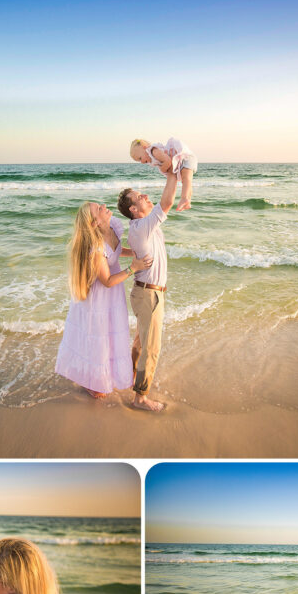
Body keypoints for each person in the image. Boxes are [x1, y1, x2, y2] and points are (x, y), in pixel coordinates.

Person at [55, 201, 152, 399]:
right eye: (99, 209)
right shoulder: (96, 248)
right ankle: (94, 381)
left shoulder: (113, 227)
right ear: (94, 224)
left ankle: (110, 374)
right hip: (101, 295)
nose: (104, 206)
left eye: (99, 204)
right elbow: (107, 281)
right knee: (99, 336)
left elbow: (116, 249)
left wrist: (133, 252)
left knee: (111, 334)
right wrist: (134, 267)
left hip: (113, 293)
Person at [117, 166, 179, 413]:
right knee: (151, 348)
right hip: (149, 294)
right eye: (139, 197)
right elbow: (167, 202)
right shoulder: (142, 225)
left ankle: (130, 378)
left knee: (141, 342)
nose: (144, 196)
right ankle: (140, 398)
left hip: (146, 292)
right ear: (133, 209)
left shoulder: (141, 228)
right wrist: (172, 175)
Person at [129, 137, 198, 211]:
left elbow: (168, 161)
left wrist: (162, 169)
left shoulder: (153, 151)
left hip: (184, 158)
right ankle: (187, 200)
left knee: (186, 179)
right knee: (186, 180)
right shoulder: (152, 157)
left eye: (140, 158)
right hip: (182, 161)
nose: (142, 162)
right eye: (139, 161)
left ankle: (185, 198)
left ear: (145, 148)